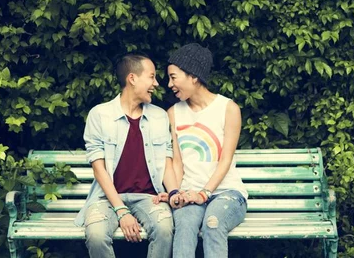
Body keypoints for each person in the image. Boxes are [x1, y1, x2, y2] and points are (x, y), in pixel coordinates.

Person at [74, 54, 178, 258]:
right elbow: (99, 168)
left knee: (165, 230)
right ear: (132, 78)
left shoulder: (159, 116)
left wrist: (173, 192)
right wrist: (121, 211)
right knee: (96, 235)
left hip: (149, 198)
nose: (156, 83)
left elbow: (166, 162)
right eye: (152, 77)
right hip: (107, 198)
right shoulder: (100, 115)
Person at [165, 43, 248, 258]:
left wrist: (204, 193)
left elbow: (225, 160)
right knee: (183, 229)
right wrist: (175, 193)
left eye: (174, 77)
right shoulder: (173, 113)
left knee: (213, 224)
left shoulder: (228, 108)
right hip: (189, 193)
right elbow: (177, 163)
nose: (169, 84)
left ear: (193, 76)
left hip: (227, 193)